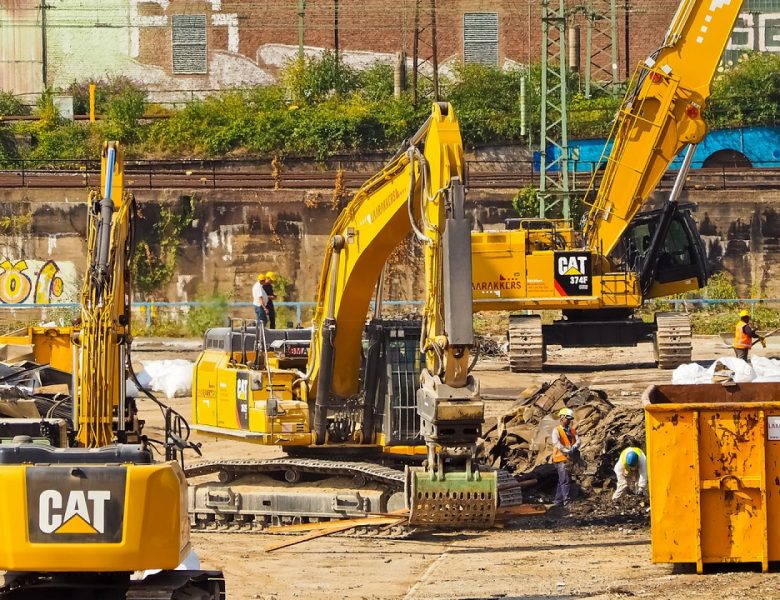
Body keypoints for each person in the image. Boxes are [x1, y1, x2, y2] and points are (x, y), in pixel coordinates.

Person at [552, 407, 580, 507]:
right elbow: (556, 443)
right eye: (568, 419)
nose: (569, 421)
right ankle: (567, 502)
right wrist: (567, 450)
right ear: (562, 418)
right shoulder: (556, 430)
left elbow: (577, 440)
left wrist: (575, 447)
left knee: (561, 481)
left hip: (569, 458)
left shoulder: (572, 430)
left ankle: (558, 501)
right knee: (566, 480)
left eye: (570, 419)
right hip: (560, 459)